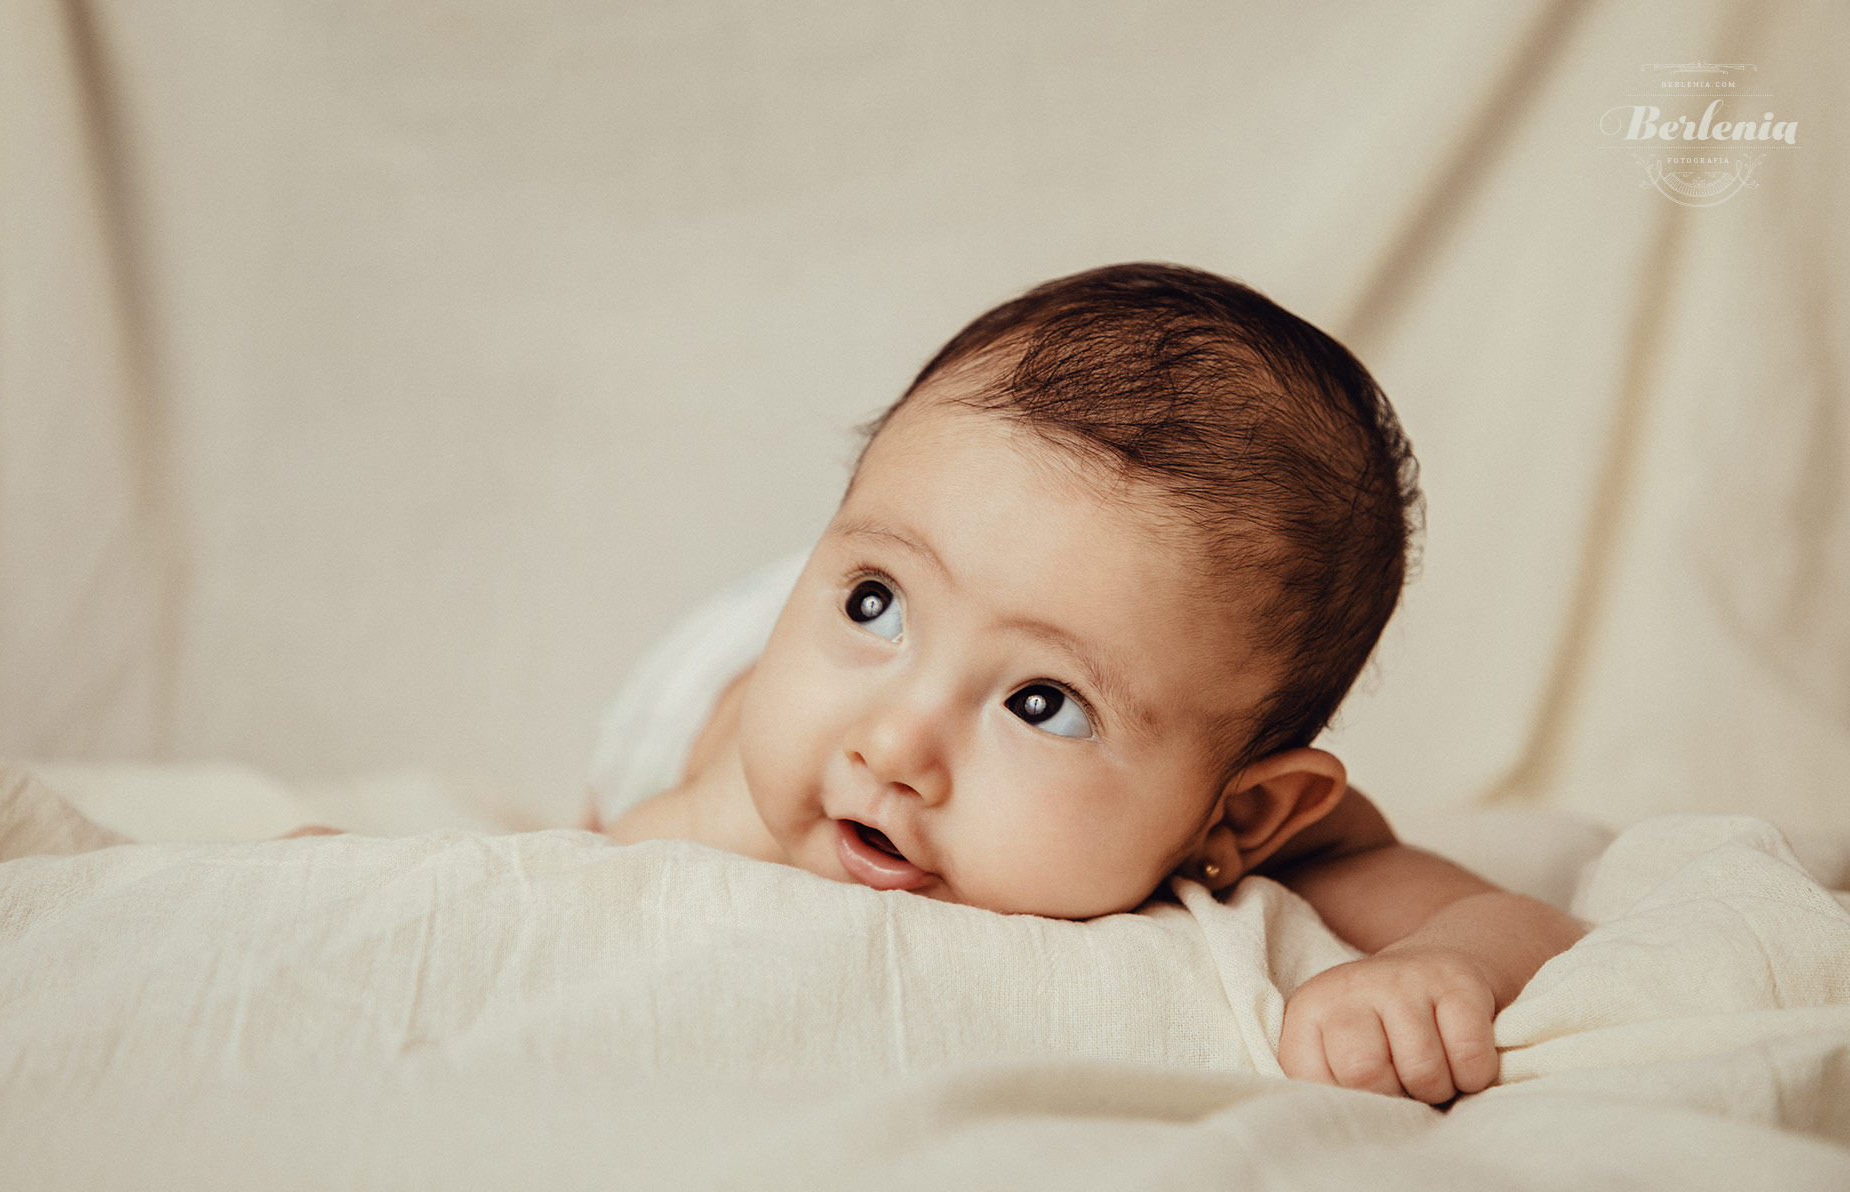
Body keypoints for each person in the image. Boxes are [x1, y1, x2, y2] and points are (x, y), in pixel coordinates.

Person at [588, 262, 1584, 1104]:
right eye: (871, 600)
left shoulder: (1255, 825)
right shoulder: (744, 811)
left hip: (911, 604)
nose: (892, 745)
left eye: (1041, 703)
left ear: (1238, 819)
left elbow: (1521, 923)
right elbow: (580, 893)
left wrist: (1436, 968)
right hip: (716, 663)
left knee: (953, 593)